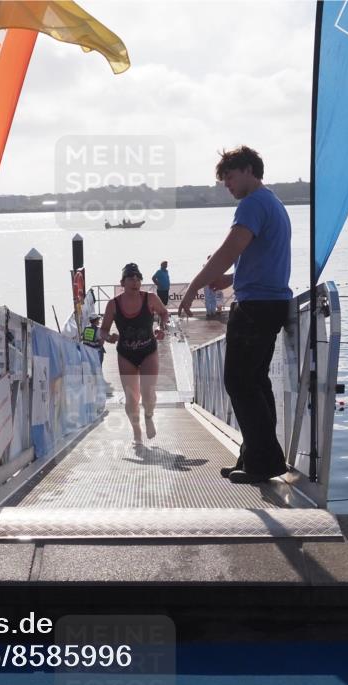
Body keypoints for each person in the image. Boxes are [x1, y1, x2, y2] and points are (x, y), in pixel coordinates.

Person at [178, 145, 291, 484]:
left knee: (239, 382)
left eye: (229, 176)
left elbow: (230, 248)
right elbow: (254, 257)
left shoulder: (253, 204)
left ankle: (263, 461)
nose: (226, 184)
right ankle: (258, 456)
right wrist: (229, 280)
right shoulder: (273, 203)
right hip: (271, 303)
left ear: (248, 170)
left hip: (255, 307)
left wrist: (194, 286)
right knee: (255, 382)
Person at [101, 263, 169, 445]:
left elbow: (164, 313)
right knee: (131, 398)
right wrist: (109, 337)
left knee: (148, 394)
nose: (135, 281)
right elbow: (103, 330)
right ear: (122, 282)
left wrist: (161, 328)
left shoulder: (151, 298)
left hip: (148, 350)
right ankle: (137, 432)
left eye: (138, 278)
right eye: (131, 278)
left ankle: (148, 415)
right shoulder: (113, 304)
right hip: (126, 354)